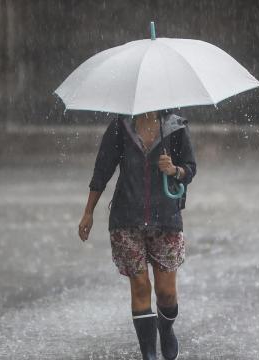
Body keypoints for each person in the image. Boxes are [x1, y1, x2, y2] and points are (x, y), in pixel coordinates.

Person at [78, 109, 196, 360]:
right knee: (141, 287)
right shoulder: (120, 128)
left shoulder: (175, 127)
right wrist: (88, 212)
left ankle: (165, 330)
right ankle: (149, 355)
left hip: (166, 219)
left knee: (166, 292)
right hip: (126, 218)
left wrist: (175, 170)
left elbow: (190, 168)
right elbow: (102, 171)